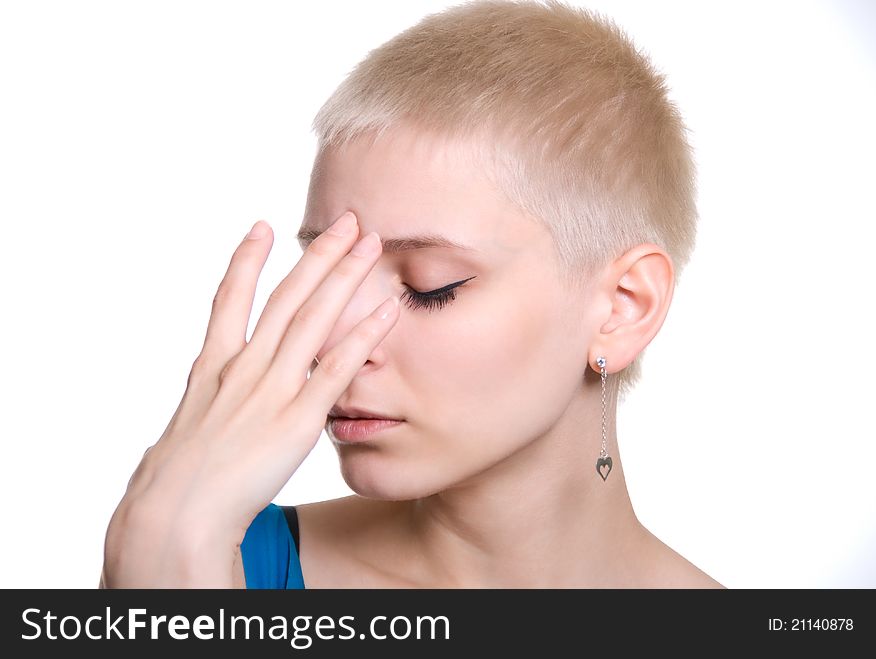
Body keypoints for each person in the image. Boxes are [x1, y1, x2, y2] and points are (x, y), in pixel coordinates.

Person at [101, 0, 724, 589]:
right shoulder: (206, 558)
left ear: (623, 307)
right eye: (331, 274)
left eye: (429, 287)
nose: (338, 339)